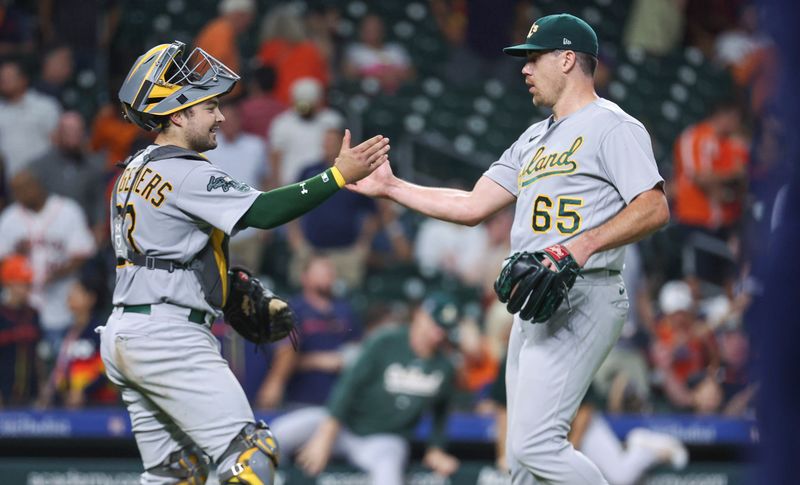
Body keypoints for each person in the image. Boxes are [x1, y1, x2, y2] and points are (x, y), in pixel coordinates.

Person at [348, 14, 669, 484]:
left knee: (536, 445)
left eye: (533, 58)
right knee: (520, 460)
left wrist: (583, 245)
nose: (524, 68)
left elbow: (655, 207)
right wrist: (394, 187)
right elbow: (473, 204)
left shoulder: (612, 126)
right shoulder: (534, 138)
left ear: (567, 59)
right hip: (537, 297)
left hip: (586, 292)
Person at [98, 40, 388, 485]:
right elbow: (264, 213)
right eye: (208, 106)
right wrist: (337, 175)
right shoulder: (187, 170)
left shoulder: (133, 169)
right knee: (250, 454)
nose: (221, 116)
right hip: (169, 335)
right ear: (177, 114)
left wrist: (221, 286)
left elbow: (163, 252)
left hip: (127, 330)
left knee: (176, 474)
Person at [269, 292, 462, 485]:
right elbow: (348, 386)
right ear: (420, 315)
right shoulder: (386, 341)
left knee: (389, 475)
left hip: (384, 440)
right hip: (343, 426)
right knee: (276, 436)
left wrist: (436, 449)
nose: (437, 333)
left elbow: (441, 411)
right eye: (434, 325)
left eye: (443, 329)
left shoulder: (444, 366)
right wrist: (325, 438)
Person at [256, 256, 362, 409]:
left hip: (340, 400)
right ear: (304, 278)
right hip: (301, 398)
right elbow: (280, 359)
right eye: (320, 272)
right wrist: (319, 361)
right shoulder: (292, 309)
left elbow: (357, 347)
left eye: (330, 272)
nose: (328, 276)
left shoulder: (345, 309)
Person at [0, 254, 42, 408]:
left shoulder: (33, 314)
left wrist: (42, 390)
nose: (25, 289)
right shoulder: (2, 314)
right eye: (21, 283)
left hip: (29, 393)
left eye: (27, 284)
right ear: (8, 284)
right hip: (4, 391)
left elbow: (37, 355)